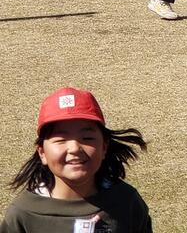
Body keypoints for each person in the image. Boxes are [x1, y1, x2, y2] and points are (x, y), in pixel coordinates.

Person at [1, 87, 151, 232]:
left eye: (87, 138)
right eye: (60, 139)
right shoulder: (23, 214)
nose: (74, 148)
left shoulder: (127, 202)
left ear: (104, 147)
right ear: (42, 153)